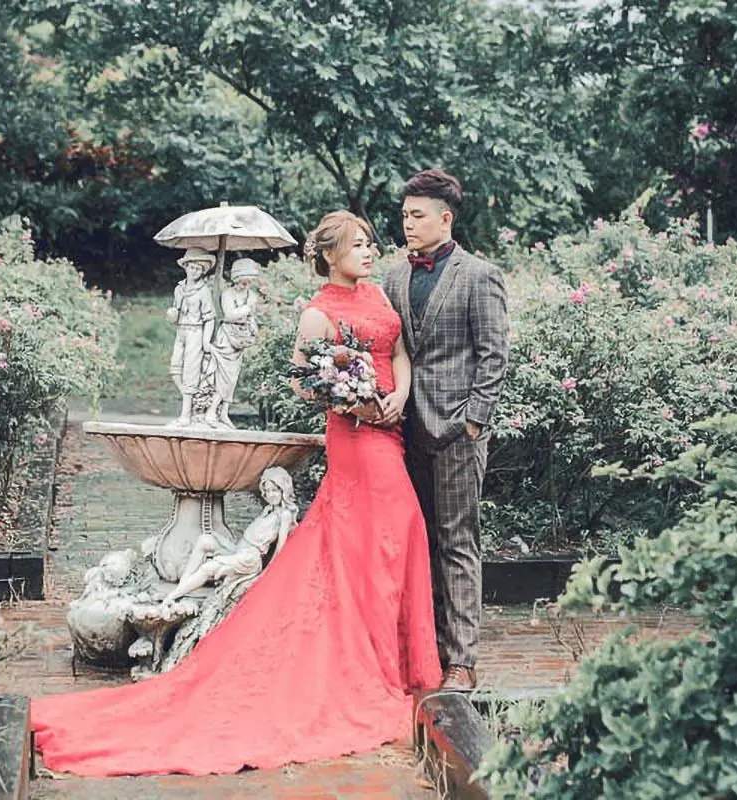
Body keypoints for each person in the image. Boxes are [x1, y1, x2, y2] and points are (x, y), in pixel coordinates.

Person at [29, 211, 440, 777]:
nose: (369, 251)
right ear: (329, 255)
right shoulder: (318, 313)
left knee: (394, 534)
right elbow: (303, 381)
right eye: (357, 245)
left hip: (390, 427)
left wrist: (399, 396)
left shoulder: (377, 296)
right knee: (376, 536)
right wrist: (349, 401)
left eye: (370, 243)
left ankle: (393, 657)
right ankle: (367, 659)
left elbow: (397, 354)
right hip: (356, 439)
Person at [382, 168, 510, 692]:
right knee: (419, 543)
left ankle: (462, 660)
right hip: (405, 431)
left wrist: (475, 420)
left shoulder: (479, 275)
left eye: (417, 216)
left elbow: (494, 354)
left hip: (459, 430)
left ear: (446, 218)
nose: (408, 224)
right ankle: (427, 651)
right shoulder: (393, 277)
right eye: (404, 216)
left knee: (458, 542)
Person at [164, 467, 298, 603]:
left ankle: (170, 598)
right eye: (267, 491)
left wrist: (269, 572)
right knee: (205, 540)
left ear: (283, 490)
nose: (270, 495)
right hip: (240, 548)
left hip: (249, 558)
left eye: (274, 490)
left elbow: (281, 548)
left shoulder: (284, 515)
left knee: (207, 568)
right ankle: (181, 588)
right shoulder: (269, 509)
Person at [203, 257, 261, 428]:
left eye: (248, 282)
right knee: (224, 376)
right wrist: (245, 309)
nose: (245, 285)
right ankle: (211, 411)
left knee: (233, 377)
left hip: (240, 340)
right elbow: (229, 315)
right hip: (226, 339)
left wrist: (254, 328)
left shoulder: (252, 296)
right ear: (236, 279)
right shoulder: (228, 294)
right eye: (242, 282)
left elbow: (250, 317)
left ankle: (223, 413)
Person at [166, 248, 216, 426]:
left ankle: (186, 414)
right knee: (175, 368)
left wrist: (206, 341)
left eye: (198, 269)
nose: (194, 271)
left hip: (196, 331)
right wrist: (172, 314)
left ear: (203, 271)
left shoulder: (204, 291)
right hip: (181, 331)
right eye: (192, 267)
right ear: (185, 266)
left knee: (190, 372)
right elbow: (175, 312)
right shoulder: (179, 288)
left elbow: (209, 318)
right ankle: (193, 399)